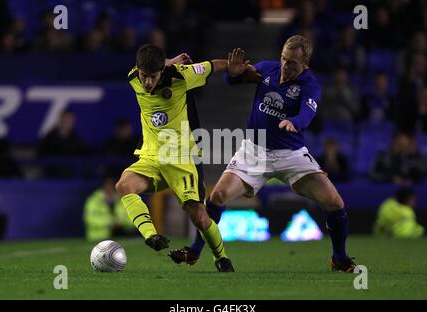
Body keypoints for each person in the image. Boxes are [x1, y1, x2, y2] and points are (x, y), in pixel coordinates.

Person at [170, 35, 358, 272]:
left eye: (292, 63)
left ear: (305, 64)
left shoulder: (310, 86)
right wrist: (234, 73)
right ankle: (194, 251)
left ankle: (339, 259)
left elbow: (307, 114)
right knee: (217, 196)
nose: (285, 66)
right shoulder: (267, 69)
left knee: (335, 202)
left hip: (291, 154)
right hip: (254, 150)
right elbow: (232, 80)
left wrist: (294, 121)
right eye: (284, 59)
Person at [115, 44, 235, 272]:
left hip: (181, 158)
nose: (147, 82)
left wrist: (232, 67)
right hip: (151, 157)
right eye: (144, 76)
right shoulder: (133, 77)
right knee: (124, 185)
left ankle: (221, 257)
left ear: (162, 71)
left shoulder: (182, 77)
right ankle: (151, 236)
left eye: (152, 77)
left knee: (199, 217)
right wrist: (169, 60)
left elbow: (211, 66)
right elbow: (153, 65)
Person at [83, 176, 133, 242]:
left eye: (112, 186)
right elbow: (89, 219)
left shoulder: (122, 200)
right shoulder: (94, 200)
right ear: (103, 187)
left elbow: (132, 219)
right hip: (98, 238)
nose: (110, 188)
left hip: (123, 236)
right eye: (108, 186)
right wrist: (111, 223)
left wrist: (122, 223)